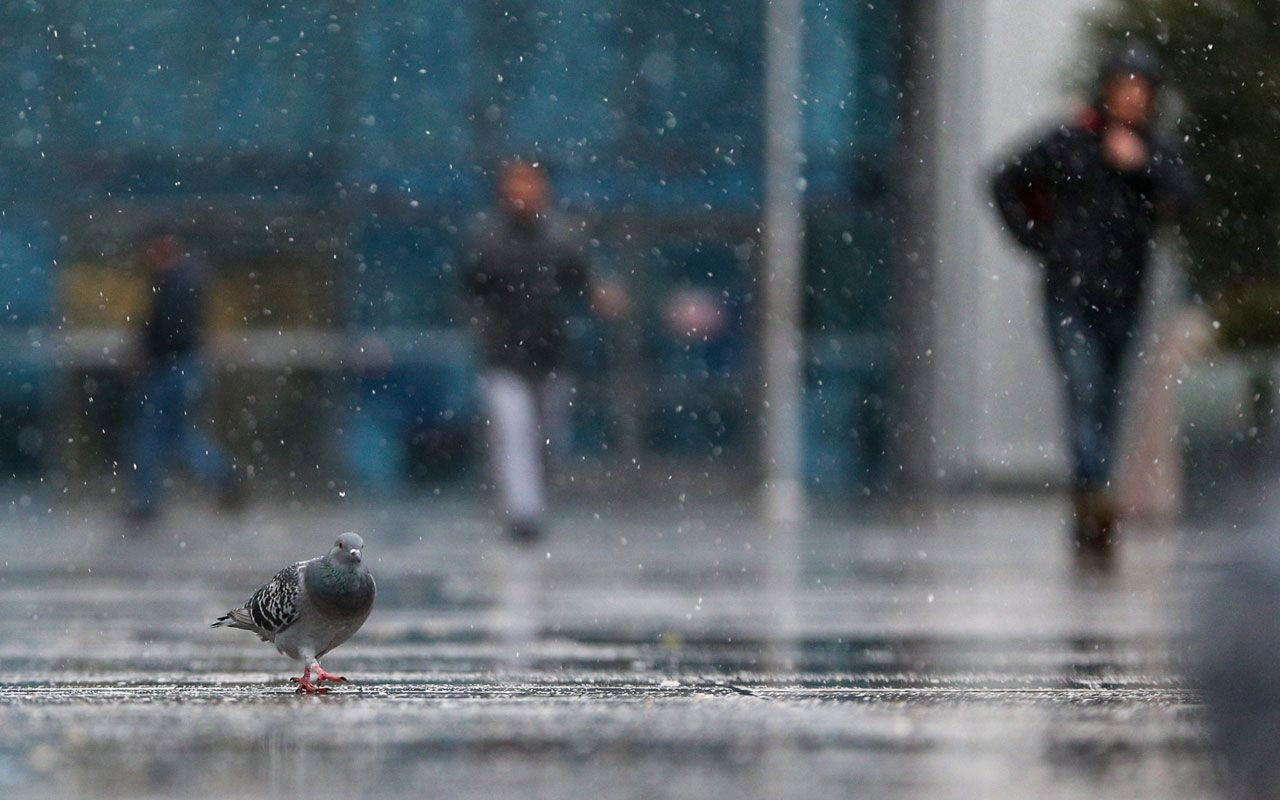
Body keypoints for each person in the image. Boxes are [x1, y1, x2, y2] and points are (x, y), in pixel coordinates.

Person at [990, 44, 1194, 557]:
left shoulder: (1155, 149)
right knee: (1084, 389)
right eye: (1123, 87)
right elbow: (1003, 181)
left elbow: (1184, 199)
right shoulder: (1071, 140)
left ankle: (1091, 488)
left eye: (1140, 90)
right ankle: (1094, 493)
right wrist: (1040, 240)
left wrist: (1142, 166)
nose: (1130, 98)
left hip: (1125, 294)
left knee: (1107, 397)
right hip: (1070, 292)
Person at [462, 161, 619, 544]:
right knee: (513, 431)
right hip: (502, 356)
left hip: (549, 354)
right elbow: (470, 287)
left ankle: (532, 501)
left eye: (529, 183)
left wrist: (601, 294)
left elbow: (582, 279)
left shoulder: (560, 236)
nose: (523, 191)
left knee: (549, 440)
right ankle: (523, 513)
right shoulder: (487, 237)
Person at [126, 226, 240, 523]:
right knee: (176, 434)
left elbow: (169, 329)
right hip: (181, 366)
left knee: (155, 435)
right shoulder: (186, 277)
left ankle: (146, 500)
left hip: (171, 367)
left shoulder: (175, 280)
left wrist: (148, 351)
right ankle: (221, 478)